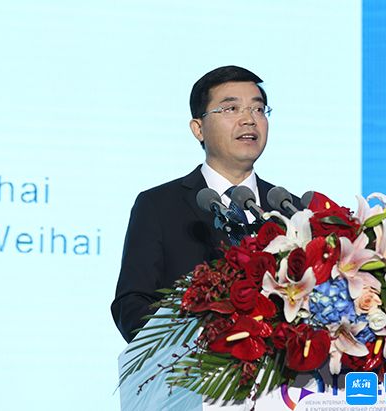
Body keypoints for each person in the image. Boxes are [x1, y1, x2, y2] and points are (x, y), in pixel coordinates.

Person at [111, 65, 291, 343]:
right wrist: (198, 342)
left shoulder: (289, 210)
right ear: (198, 129)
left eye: (258, 109)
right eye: (231, 109)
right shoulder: (158, 205)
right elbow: (131, 305)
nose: (249, 120)